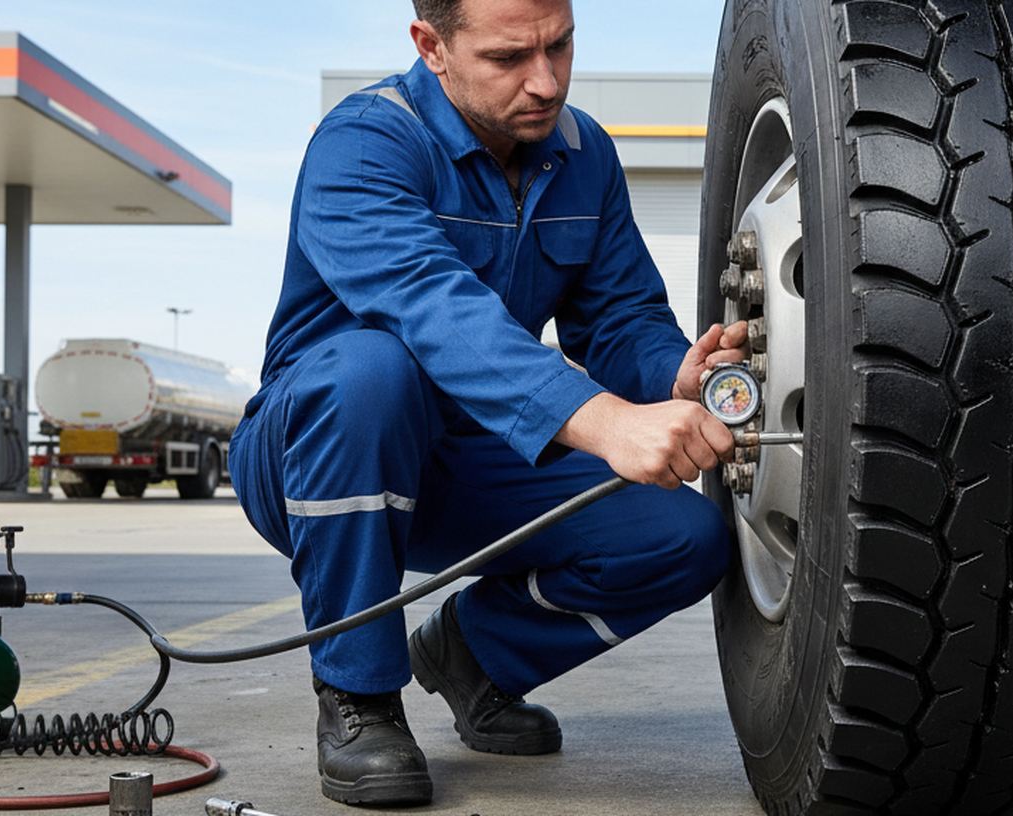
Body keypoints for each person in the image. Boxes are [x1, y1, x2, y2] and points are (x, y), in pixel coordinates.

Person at [229, 0, 749, 806]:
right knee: (374, 369)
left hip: (478, 458)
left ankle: (472, 657)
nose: (545, 81)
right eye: (509, 58)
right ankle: (358, 696)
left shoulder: (583, 154)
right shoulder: (364, 142)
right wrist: (605, 421)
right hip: (319, 455)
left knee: (685, 537)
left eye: (559, 46)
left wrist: (672, 375)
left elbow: (621, 317)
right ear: (431, 46)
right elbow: (431, 307)